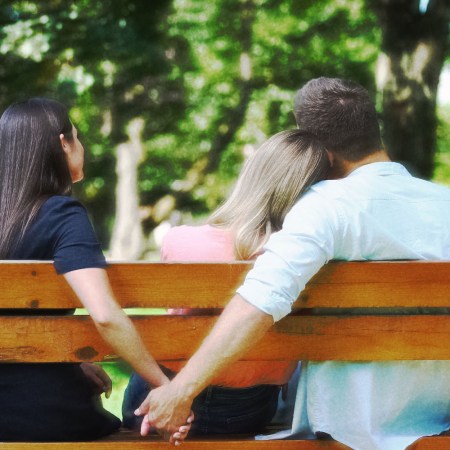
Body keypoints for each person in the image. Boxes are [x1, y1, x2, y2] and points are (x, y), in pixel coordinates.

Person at [135, 77, 450, 450]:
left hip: (343, 426)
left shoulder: (327, 206)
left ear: (322, 154)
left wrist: (181, 391)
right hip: (439, 416)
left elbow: (262, 298)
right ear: (374, 131)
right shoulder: (442, 202)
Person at [0, 98, 189, 443]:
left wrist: (67, 360)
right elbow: (104, 314)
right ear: (62, 144)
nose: (81, 146)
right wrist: (167, 388)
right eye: (78, 135)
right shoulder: (62, 215)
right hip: (43, 415)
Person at [123, 130, 329, 435]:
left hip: (159, 398)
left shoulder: (181, 241)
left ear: (253, 177)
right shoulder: (311, 262)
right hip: (251, 410)